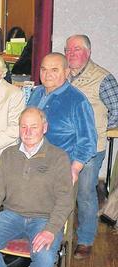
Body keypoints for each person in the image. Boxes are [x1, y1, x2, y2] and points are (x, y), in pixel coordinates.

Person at [0, 107, 73, 267]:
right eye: (23, 127)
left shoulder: (59, 157)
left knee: (43, 255)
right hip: (12, 215)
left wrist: (51, 230)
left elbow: (65, 199)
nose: (27, 132)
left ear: (44, 128)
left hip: (44, 219)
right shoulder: (8, 154)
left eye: (33, 127)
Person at [64, 35, 118, 259]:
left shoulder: (103, 78)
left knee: (85, 193)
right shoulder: (62, 73)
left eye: (77, 49)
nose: (71, 53)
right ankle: (59, 235)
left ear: (88, 52)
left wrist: (100, 129)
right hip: (62, 146)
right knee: (59, 193)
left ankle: (85, 239)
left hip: (89, 148)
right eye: (68, 49)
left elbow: (116, 110)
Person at [27, 53, 97, 183]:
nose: (47, 74)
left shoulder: (77, 101)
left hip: (59, 171)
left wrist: (75, 169)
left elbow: (88, 142)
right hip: (30, 167)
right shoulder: (36, 93)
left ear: (66, 72)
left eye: (54, 70)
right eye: (43, 69)